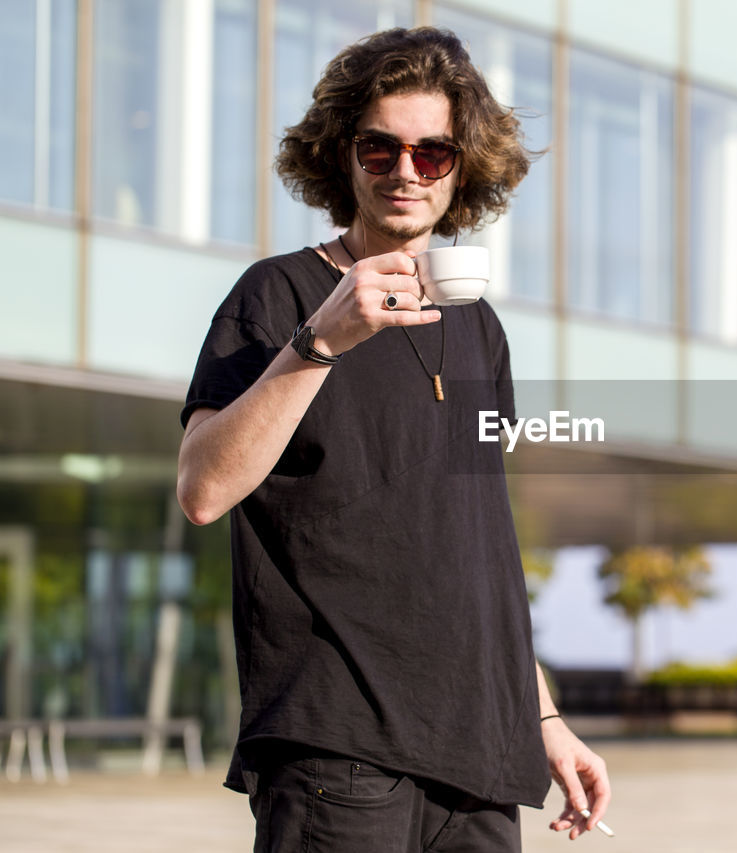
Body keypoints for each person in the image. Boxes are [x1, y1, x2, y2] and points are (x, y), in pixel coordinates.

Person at [176, 27, 609, 852]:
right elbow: (201, 490)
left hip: (478, 756)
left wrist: (543, 715)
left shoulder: (479, 327)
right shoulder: (277, 295)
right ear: (343, 157)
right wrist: (321, 341)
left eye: (433, 154)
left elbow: (480, 549)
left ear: (463, 165)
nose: (406, 173)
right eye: (381, 150)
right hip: (336, 749)